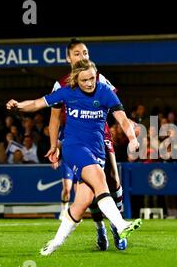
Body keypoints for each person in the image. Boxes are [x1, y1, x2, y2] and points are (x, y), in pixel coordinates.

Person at [6, 59, 142, 256]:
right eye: (85, 80)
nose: (89, 83)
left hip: (97, 150)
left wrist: (132, 139)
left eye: (92, 78)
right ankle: (120, 225)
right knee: (101, 179)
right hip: (73, 147)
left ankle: (54, 243)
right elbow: (37, 103)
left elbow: (122, 118)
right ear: (76, 80)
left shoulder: (104, 92)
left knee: (82, 203)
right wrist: (18, 105)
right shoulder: (66, 92)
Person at [49, 38, 127, 251]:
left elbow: (115, 105)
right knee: (90, 187)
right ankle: (100, 227)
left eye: (85, 53)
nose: (82, 57)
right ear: (68, 58)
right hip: (77, 141)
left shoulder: (99, 78)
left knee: (113, 179)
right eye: (77, 54)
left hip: (101, 135)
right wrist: (53, 144)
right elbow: (54, 118)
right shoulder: (61, 85)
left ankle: (116, 226)